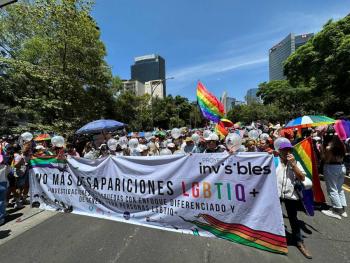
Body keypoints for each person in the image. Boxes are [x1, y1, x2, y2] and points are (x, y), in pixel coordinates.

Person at [276, 140, 312, 259]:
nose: (287, 152)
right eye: (284, 150)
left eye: (289, 150)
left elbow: (301, 177)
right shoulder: (274, 161)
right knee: (273, 215)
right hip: (275, 194)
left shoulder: (295, 163)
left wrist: (293, 165)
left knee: (293, 218)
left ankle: (299, 242)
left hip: (290, 195)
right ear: (279, 151)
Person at [320, 134, 347, 219]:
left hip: (331, 167)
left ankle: (336, 210)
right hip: (342, 167)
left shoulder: (329, 148)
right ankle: (343, 210)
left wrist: (322, 151)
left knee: (332, 189)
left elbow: (326, 159)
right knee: (339, 189)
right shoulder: (342, 146)